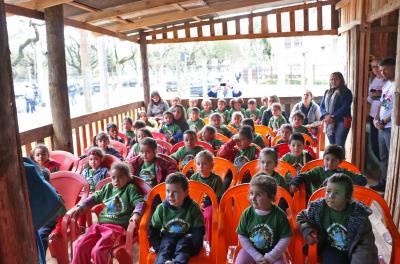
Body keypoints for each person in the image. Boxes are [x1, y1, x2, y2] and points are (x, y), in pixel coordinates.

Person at [69, 163, 145, 264]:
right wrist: (82, 206)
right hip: (100, 225)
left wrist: (136, 214)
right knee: (79, 245)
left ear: (128, 178)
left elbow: (140, 202)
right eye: (113, 178)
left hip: (117, 228)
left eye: (120, 177)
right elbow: (94, 197)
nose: (116, 181)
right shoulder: (108, 187)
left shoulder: (130, 188)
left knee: (98, 251)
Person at [296, 174, 378, 264]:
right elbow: (301, 217)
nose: (330, 196)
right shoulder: (318, 208)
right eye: (328, 191)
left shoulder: (359, 216)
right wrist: (307, 230)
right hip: (332, 248)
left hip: (356, 248)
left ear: (347, 197)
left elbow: (365, 246)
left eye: (337, 193)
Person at [149, 172, 205, 264]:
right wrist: (157, 246)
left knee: (183, 250)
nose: (170, 195)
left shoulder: (193, 207)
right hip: (168, 236)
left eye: (175, 192)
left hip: (186, 237)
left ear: (186, 193)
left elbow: (198, 230)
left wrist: (195, 248)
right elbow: (153, 229)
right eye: (167, 191)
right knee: (164, 251)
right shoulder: (161, 208)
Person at [235, 175, 292, 264]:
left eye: (259, 195)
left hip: (275, 254)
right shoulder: (247, 213)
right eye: (251, 193)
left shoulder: (280, 215)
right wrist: (256, 256)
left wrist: (270, 257)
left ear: (271, 197)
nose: (253, 198)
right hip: (250, 252)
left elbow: (285, 238)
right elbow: (242, 236)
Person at [289, 144, 367, 198]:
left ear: (339, 162)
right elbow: (303, 176)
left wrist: (350, 188)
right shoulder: (318, 171)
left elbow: (362, 179)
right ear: (323, 159)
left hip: (338, 204)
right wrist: (294, 183)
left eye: (334, 160)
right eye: (327, 159)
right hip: (318, 203)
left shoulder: (343, 173)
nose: (329, 163)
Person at [370, 57, 396, 192]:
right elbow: (383, 103)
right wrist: (376, 118)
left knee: (392, 157)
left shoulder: (397, 84)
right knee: (383, 157)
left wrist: (384, 121)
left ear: (393, 67)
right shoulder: (386, 84)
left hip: (391, 127)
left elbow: (397, 108)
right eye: (381, 70)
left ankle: (392, 185)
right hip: (381, 125)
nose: (383, 72)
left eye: (385, 69)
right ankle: (384, 182)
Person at [190, 150, 223, 241]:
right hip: (196, 203)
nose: (201, 167)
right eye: (198, 164)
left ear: (211, 166)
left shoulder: (216, 179)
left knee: (208, 215)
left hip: (211, 204)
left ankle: (209, 239)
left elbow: (217, 198)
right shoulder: (194, 177)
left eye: (204, 164)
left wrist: (204, 204)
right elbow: (191, 195)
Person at [320, 72, 353, 148]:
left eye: (336, 79)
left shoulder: (346, 92)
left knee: (339, 145)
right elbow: (322, 106)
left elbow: (345, 107)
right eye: (331, 79)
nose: (333, 81)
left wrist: (332, 117)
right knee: (332, 145)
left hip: (342, 121)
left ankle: (341, 160)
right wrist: (326, 116)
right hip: (329, 121)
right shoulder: (327, 92)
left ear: (341, 80)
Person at [367, 59, 384, 160]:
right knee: (374, 145)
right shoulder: (372, 80)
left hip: (384, 117)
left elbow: (389, 98)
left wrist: (379, 94)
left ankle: (385, 170)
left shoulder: (387, 79)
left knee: (382, 145)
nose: (375, 69)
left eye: (377, 66)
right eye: (373, 67)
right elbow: (370, 98)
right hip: (373, 115)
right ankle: (383, 167)